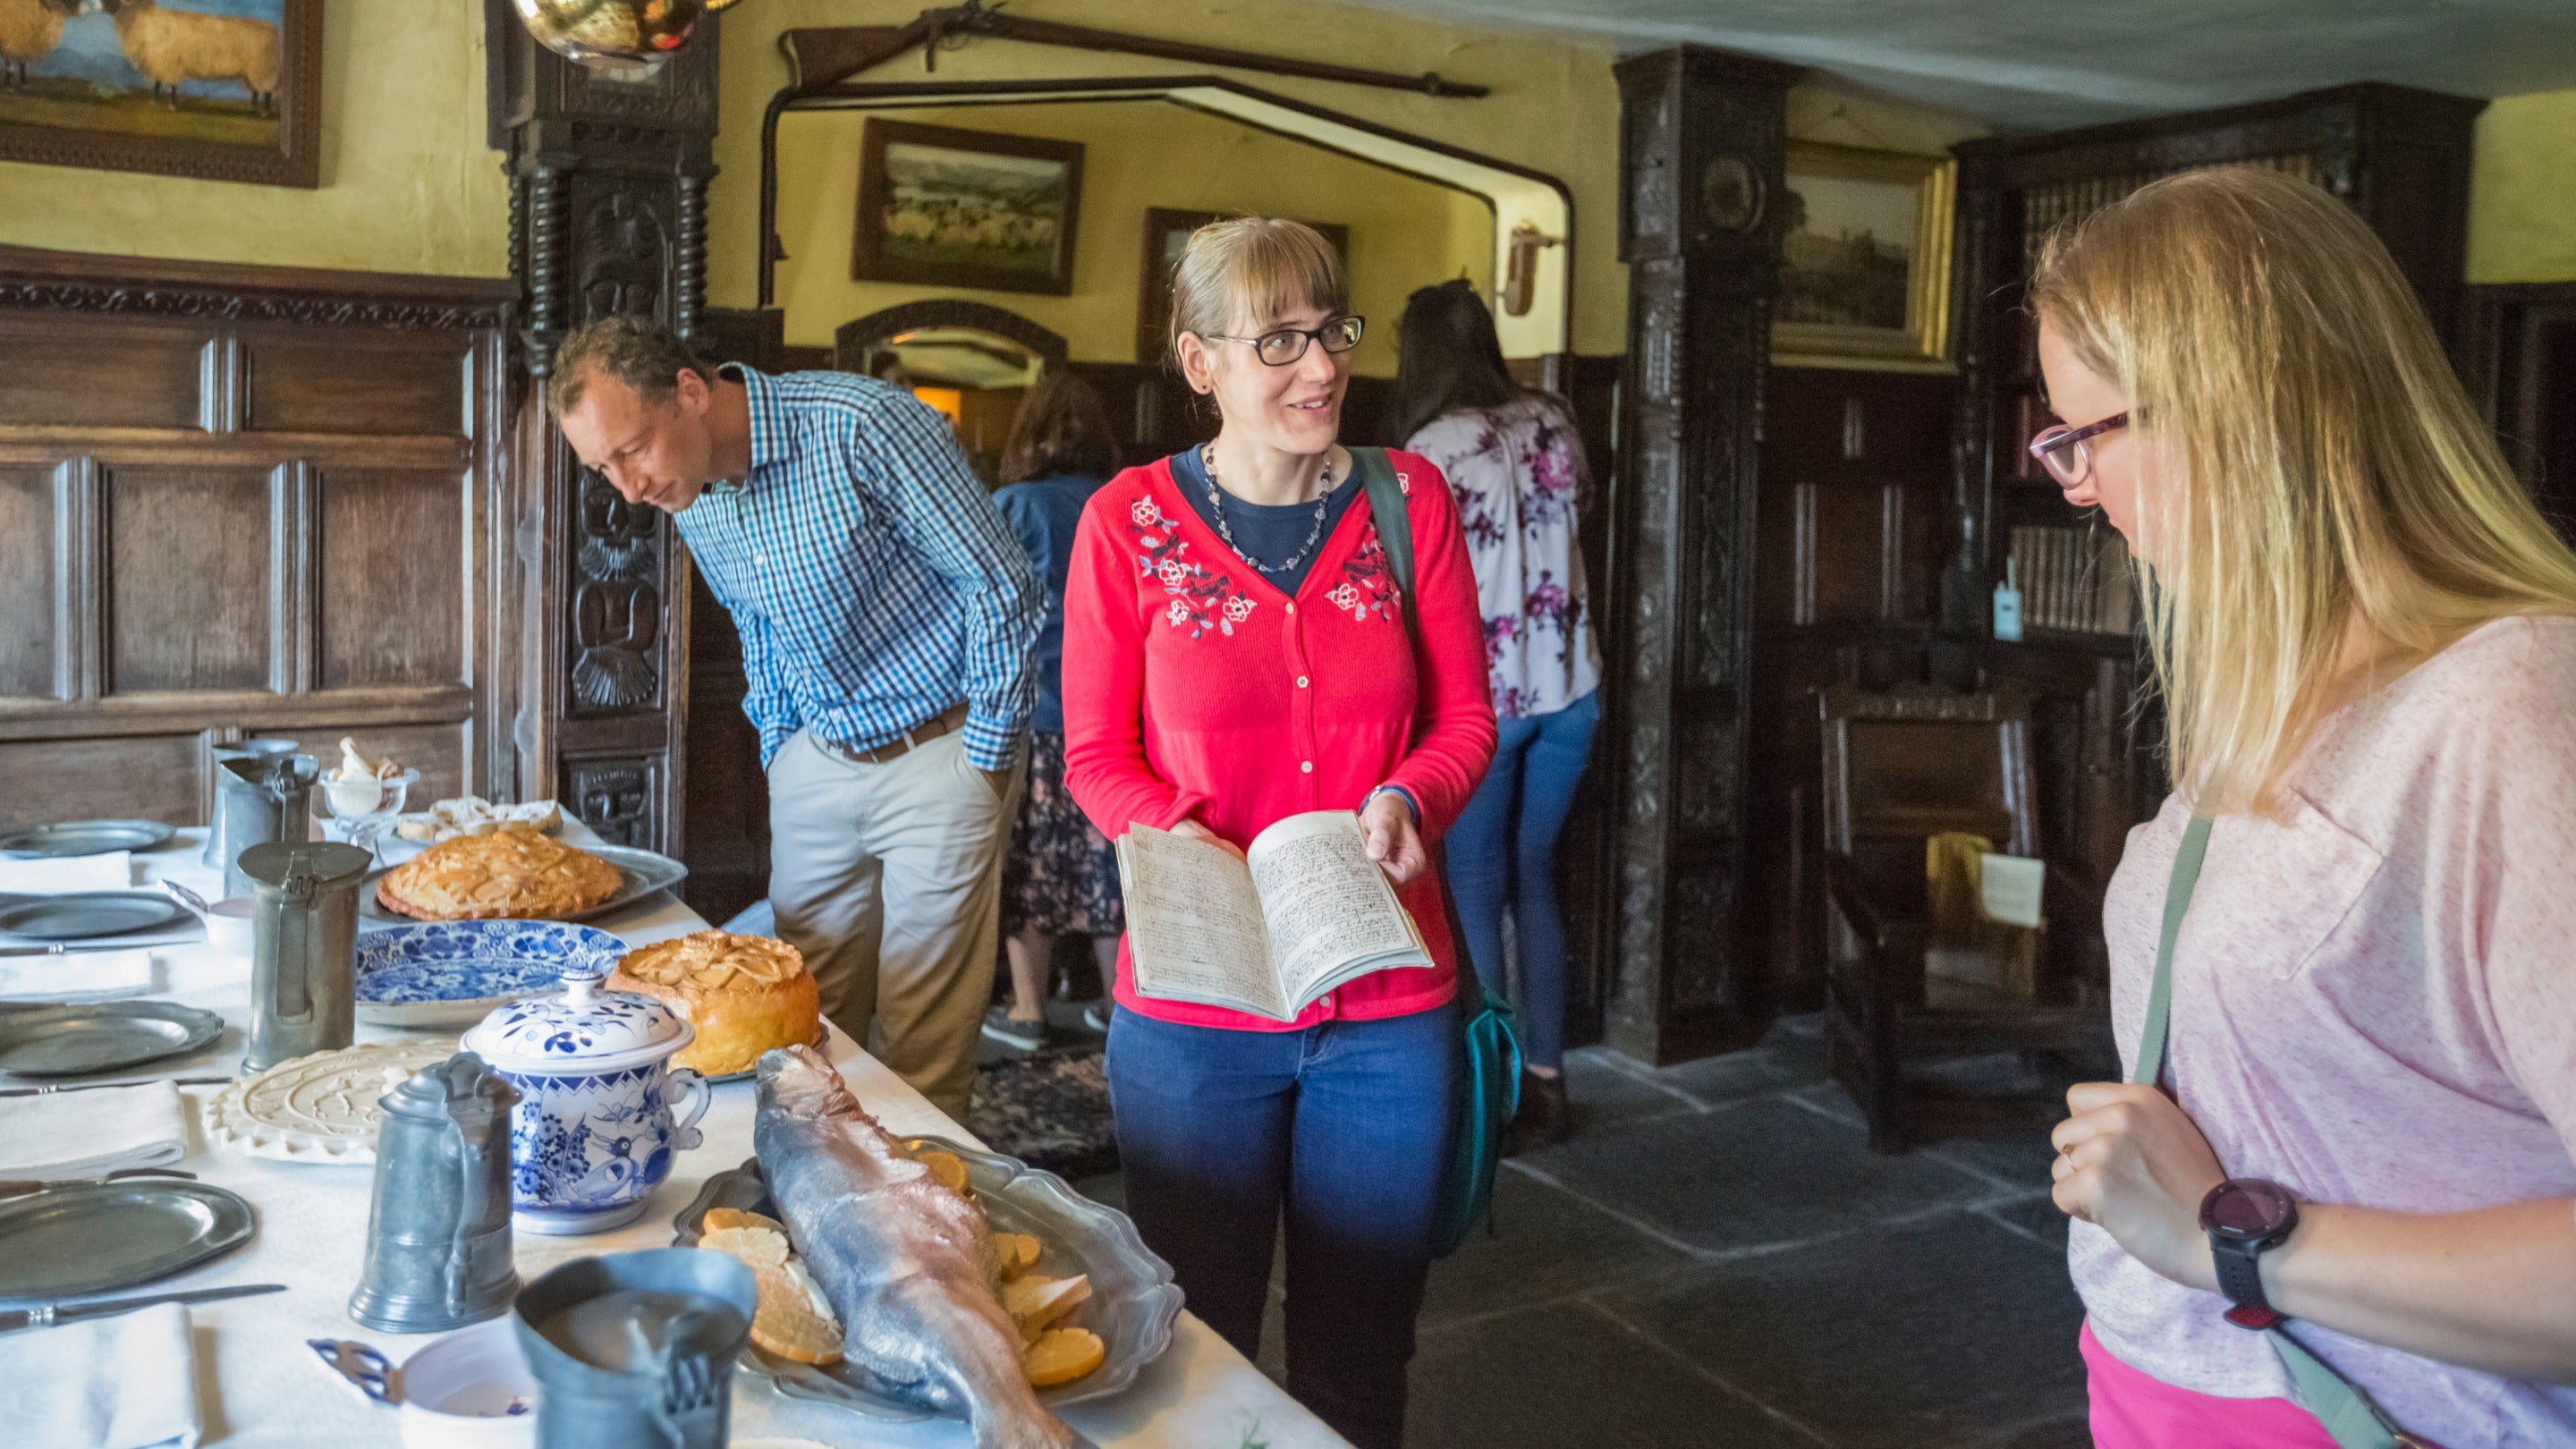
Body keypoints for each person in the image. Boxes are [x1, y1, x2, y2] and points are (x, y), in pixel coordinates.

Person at [2030, 167, 2576, 1447]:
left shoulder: (2513, 704)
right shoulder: (2274, 693)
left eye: (2084, 436)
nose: (2076, 488)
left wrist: (2235, 1243)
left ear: (2234, 410)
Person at [1061, 217, 1496, 1448]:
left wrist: (1410, 799)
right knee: (1196, 1348)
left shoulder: (1408, 500)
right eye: (1281, 341)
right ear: (1200, 362)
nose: (1322, 365)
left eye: (1332, 330)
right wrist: (1180, 838)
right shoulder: (1126, 523)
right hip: (1196, 1013)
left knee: (1362, 1352)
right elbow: (1096, 757)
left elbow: (1466, 719)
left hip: (1387, 1009)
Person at [548, 316, 1041, 1123]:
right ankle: (812, 1189)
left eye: (632, 449)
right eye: (603, 467)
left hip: (942, 754)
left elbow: (1002, 584)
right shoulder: (690, 493)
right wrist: (783, 749)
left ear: (690, 392)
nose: (628, 489)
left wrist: (984, 759)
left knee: (921, 1053)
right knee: (796, 1026)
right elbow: (757, 624)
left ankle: (915, 1202)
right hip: (816, 760)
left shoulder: (863, 428)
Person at [1388, 278, 1601, 1149]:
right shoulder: (1555, 420)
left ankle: (1497, 1089)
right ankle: (1549, 1080)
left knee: (1475, 883)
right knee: (1535, 875)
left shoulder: (1429, 449)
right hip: (1573, 688)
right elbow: (1582, 515)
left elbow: (1409, 581)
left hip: (1486, 702)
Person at [982, 372, 1126, 1054]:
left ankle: (1028, 1011)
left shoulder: (1011, 506)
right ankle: (1119, 1006)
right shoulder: (1121, 501)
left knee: (1032, 860)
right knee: (1109, 863)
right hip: (1114, 716)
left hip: (1035, 710)